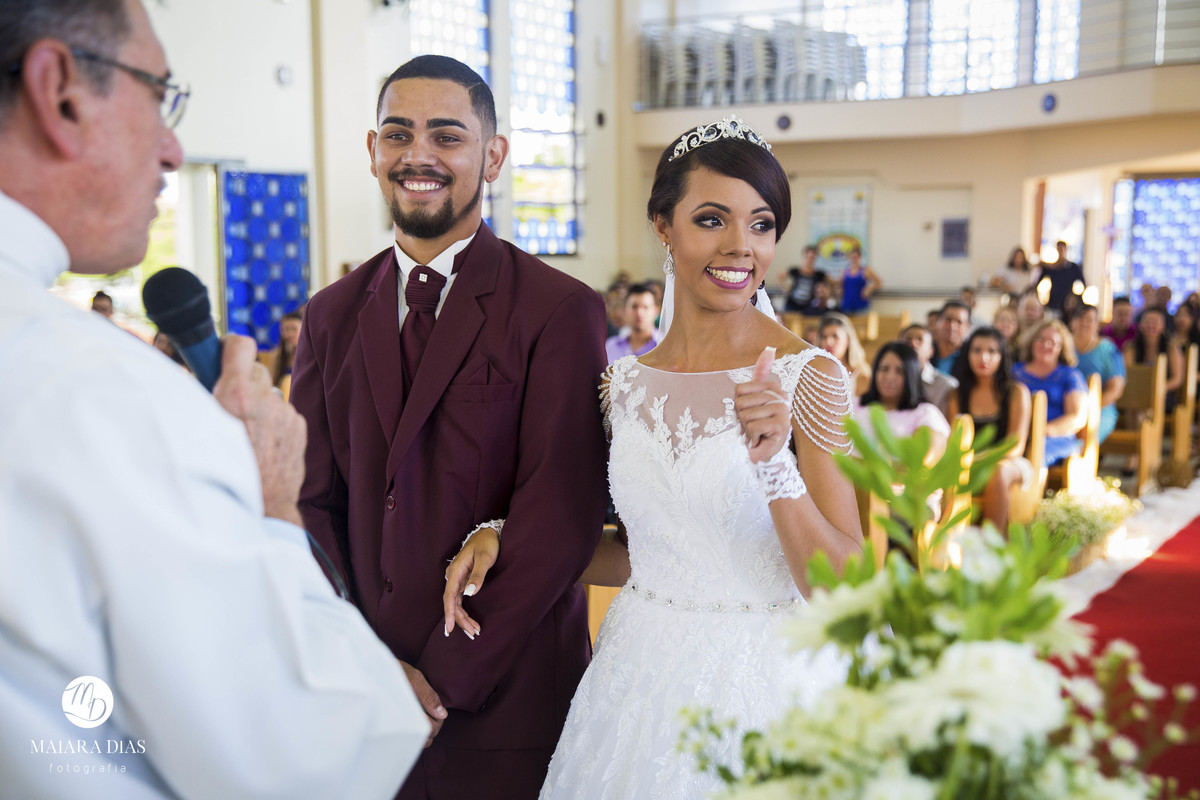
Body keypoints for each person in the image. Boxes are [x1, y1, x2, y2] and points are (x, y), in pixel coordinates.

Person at [0, 1, 428, 797]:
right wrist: (272, 509)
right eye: (160, 95)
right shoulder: (104, 395)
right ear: (59, 92)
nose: (172, 147)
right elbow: (309, 759)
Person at [445, 116, 862, 799]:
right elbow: (638, 550)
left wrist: (774, 466)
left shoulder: (807, 374)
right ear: (663, 226)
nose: (740, 247)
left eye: (761, 224)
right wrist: (505, 538)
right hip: (637, 675)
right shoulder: (623, 385)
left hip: (762, 681)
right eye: (711, 219)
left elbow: (845, 589)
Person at [289, 54, 609, 799]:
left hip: (505, 704)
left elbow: (560, 514)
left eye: (447, 136)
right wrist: (369, 666)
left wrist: (437, 682)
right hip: (366, 703)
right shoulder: (330, 314)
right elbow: (308, 505)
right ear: (373, 152)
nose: (418, 156)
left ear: (493, 155)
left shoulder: (557, 309)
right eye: (397, 135)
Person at [948, 328, 1033, 532]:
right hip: (968, 462)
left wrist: (980, 460)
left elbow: (1016, 445)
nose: (983, 357)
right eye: (976, 350)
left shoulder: (1016, 392)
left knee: (998, 472)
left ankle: (993, 544)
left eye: (992, 351)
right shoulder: (957, 394)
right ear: (967, 354)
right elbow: (954, 441)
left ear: (1002, 356)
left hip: (1010, 463)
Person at [854, 341, 950, 462]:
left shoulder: (926, 413)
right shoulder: (853, 404)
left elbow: (929, 455)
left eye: (900, 371)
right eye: (884, 369)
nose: (890, 377)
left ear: (911, 376)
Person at [1013, 319, 1088, 466]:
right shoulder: (1015, 372)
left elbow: (1076, 417)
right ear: (1032, 342)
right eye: (1041, 339)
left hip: (1057, 438)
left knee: (1036, 452)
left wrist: (1041, 431)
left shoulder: (1070, 376)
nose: (1045, 345)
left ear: (1061, 348)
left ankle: (1034, 488)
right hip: (1017, 434)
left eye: (1052, 342)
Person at [1070, 304, 1126, 444]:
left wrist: (1090, 407)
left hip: (1100, 409)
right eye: (1080, 319)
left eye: (1089, 320)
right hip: (1068, 407)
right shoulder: (1064, 345)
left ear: (1097, 325)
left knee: (1082, 441)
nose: (1084, 323)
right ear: (1072, 322)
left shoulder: (1107, 349)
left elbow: (1115, 389)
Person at [1125, 305, 1183, 412]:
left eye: (1155, 322)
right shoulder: (1131, 347)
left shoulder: (1171, 348)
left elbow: (1177, 379)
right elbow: (1127, 372)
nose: (1151, 325)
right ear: (1140, 324)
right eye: (1147, 321)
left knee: (1146, 403)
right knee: (1133, 402)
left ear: (1163, 326)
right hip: (1137, 392)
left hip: (1164, 393)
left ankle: (1147, 428)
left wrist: (1159, 388)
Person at [900, 322, 958, 416]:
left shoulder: (947, 386)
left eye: (919, 339)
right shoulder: (889, 381)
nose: (913, 344)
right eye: (907, 340)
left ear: (931, 350)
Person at [605, 281, 661, 362]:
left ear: (656, 311)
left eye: (645, 307)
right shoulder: (610, 347)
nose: (639, 313)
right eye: (634, 307)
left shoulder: (664, 346)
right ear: (625, 310)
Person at [818, 310, 872, 394]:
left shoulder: (863, 377)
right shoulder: (814, 374)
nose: (829, 342)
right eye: (824, 337)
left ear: (848, 340)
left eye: (835, 336)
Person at [1031, 240, 1085, 317]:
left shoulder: (1073, 268)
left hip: (1068, 305)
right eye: (1059, 249)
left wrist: (1075, 298)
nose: (1061, 252)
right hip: (1053, 304)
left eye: (1062, 249)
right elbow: (1037, 283)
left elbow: (1082, 284)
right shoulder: (1052, 268)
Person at [781, 244, 825, 311]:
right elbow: (780, 276)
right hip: (792, 304)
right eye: (808, 257)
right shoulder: (795, 271)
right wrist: (786, 288)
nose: (810, 260)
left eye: (812, 258)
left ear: (816, 258)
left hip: (809, 306)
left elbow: (831, 281)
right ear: (804, 257)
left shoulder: (819, 274)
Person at [932, 299, 971, 375]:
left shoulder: (971, 355)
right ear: (937, 322)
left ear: (967, 327)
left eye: (959, 322)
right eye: (948, 320)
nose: (952, 326)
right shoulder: (926, 351)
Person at [266, 308, 302, 389]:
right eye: (286, 329)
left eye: (294, 329)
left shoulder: (311, 356)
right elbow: (272, 384)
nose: (289, 334)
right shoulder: (277, 355)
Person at [839, 245, 881, 314]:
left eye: (856, 257)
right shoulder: (844, 272)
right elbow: (841, 286)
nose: (854, 259)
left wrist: (870, 288)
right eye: (852, 257)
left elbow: (879, 282)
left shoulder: (865, 270)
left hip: (861, 305)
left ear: (859, 257)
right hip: (847, 305)